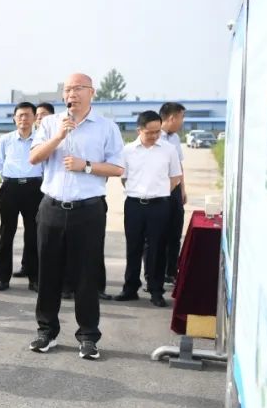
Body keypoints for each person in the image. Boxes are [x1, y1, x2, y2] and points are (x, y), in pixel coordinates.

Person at [28, 73, 124, 360]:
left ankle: (88, 336)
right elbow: (34, 158)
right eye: (68, 89)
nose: (72, 93)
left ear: (91, 92)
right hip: (52, 208)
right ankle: (46, 331)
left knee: (86, 275)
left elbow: (118, 168)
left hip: (88, 210)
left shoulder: (106, 127)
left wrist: (86, 166)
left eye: (78, 88)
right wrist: (58, 136)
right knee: (48, 273)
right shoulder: (49, 123)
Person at [114, 111, 182, 307]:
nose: (154, 136)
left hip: (159, 206)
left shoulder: (169, 150)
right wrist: (139, 192)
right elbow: (124, 178)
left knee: (157, 248)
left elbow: (175, 177)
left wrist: (160, 192)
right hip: (134, 205)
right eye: (149, 132)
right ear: (139, 130)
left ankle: (156, 290)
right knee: (133, 247)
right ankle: (130, 288)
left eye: (157, 131)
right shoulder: (128, 151)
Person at [0, 102, 43, 292]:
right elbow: (0, 164)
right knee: (6, 234)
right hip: (11, 188)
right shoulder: (5, 140)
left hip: (34, 189)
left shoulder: (41, 140)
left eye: (28, 115)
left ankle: (34, 278)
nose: (24, 119)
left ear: (34, 118)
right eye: (20, 115)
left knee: (33, 235)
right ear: (14, 118)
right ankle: (2, 278)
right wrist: (10, 182)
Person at [156, 102, 187, 286]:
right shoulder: (153, 136)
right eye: (181, 117)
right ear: (172, 118)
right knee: (158, 234)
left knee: (175, 232)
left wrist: (182, 189)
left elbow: (179, 165)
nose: (182, 122)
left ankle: (171, 271)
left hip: (174, 188)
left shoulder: (175, 138)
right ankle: (155, 274)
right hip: (158, 189)